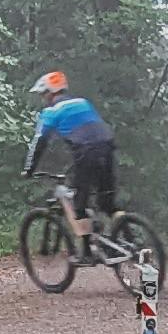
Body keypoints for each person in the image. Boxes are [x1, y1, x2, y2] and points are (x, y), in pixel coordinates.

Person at [27, 69, 119, 221]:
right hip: (107, 145)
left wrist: (29, 169)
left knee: (79, 207)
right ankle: (126, 228)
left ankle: (87, 236)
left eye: (42, 94)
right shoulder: (82, 102)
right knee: (107, 203)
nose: (42, 98)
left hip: (86, 151)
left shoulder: (51, 111)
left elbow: (39, 142)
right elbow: (91, 129)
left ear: (50, 93)